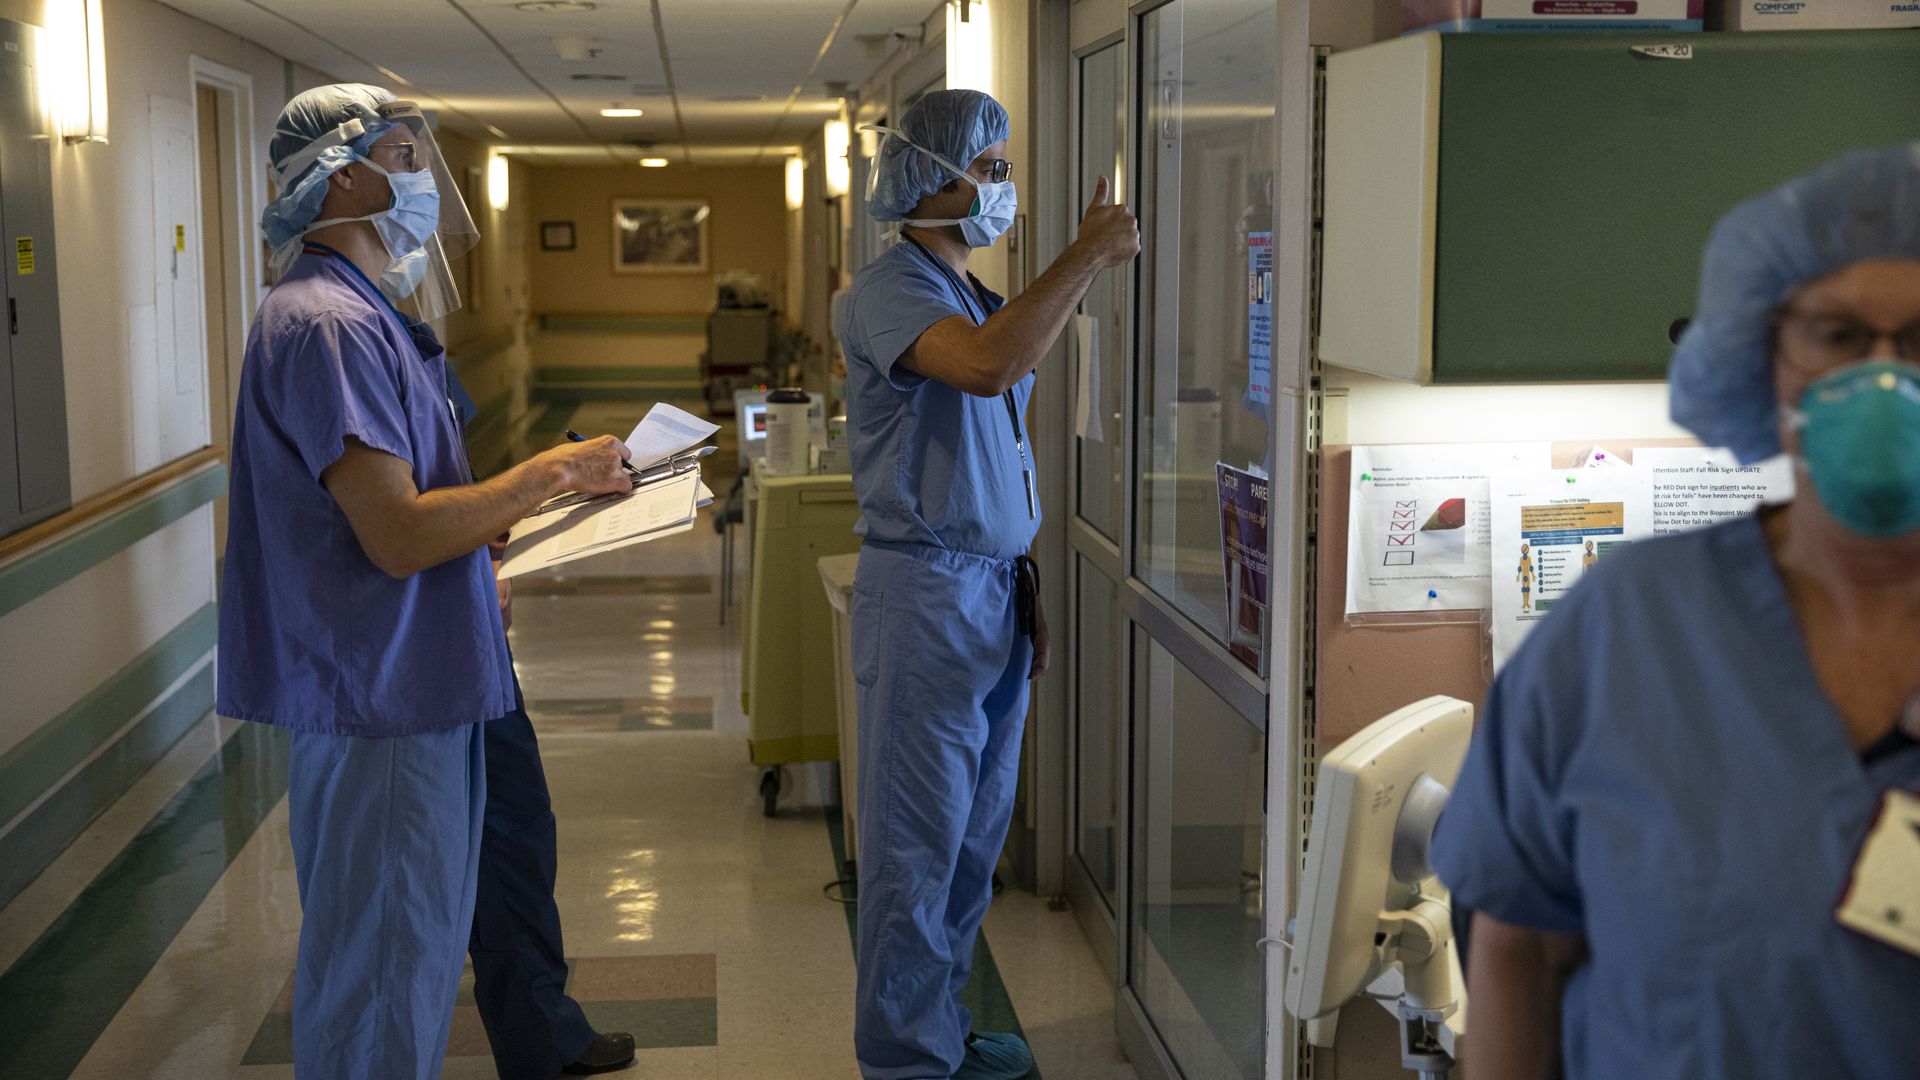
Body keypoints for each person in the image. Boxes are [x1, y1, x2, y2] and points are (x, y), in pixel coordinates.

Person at [1432, 143, 1920, 1080]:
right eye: (1837, 335)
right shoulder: (1626, 630)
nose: (1885, 380)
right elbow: (1516, 948)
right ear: (1765, 358)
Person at [218, 84, 633, 1080]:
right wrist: (551, 472)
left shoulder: (361, 313)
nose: (421, 181)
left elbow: (412, 511)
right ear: (339, 177)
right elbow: (399, 536)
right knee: (381, 972)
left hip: (410, 686)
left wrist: (495, 533)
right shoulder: (328, 325)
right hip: (384, 697)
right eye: (404, 158)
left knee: (404, 956)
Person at [838, 89, 1139, 1080]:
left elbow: (995, 445)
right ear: (929, 177)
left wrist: (1026, 590)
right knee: (916, 849)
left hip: (988, 595)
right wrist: (1084, 257)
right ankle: (905, 1061)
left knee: (971, 844)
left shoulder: (968, 290)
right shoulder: (890, 290)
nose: (1004, 185)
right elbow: (986, 369)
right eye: (990, 167)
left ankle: (941, 1029)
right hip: (926, 600)